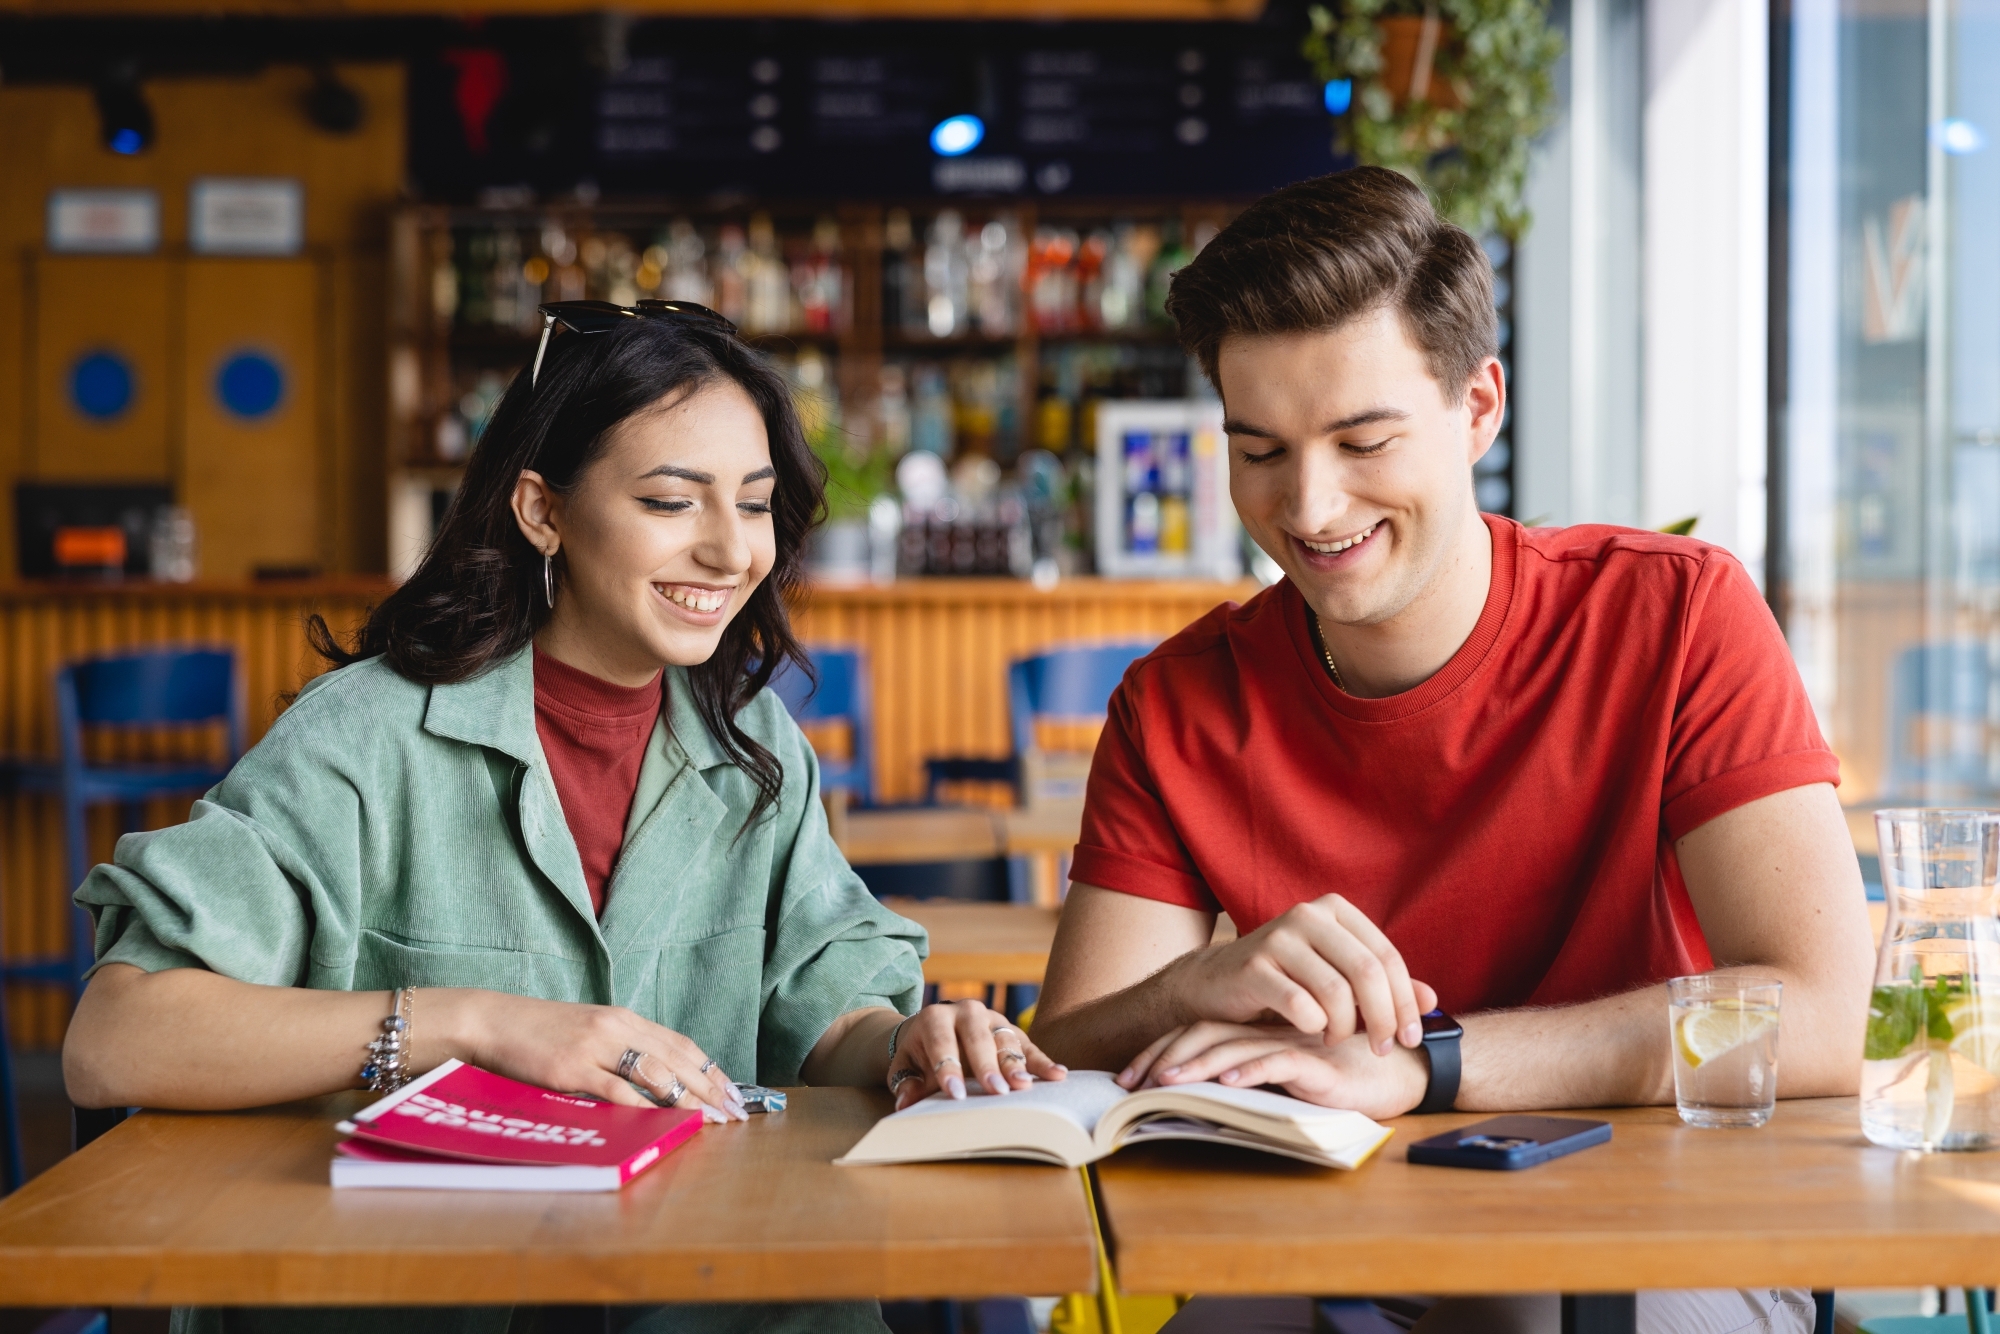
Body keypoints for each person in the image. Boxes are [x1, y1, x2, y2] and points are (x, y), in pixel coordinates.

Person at [62, 301, 1061, 1334]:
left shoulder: (752, 742)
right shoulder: (366, 737)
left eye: (754, 504)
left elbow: (826, 1014)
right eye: (672, 501)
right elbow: (119, 1037)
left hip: (708, 1293)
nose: (729, 551)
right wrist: (474, 1022)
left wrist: (911, 1040)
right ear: (542, 511)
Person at [1030, 169, 1873, 1334]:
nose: (1310, 507)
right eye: (1258, 449)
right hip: (1323, 1229)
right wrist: (1195, 982)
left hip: (1664, 1219)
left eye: (1360, 439)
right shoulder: (1177, 701)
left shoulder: (1677, 615)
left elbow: (1824, 1012)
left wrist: (1427, 1063)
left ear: (1477, 406)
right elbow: (1067, 1044)